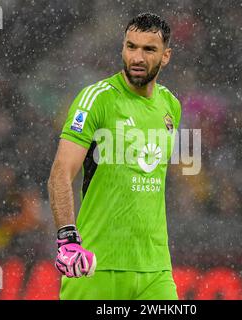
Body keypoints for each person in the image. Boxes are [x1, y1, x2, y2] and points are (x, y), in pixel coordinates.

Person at [48, 13, 182, 300]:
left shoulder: (171, 106)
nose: (137, 57)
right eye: (131, 46)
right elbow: (60, 173)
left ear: (166, 56)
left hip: (155, 270)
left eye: (149, 49)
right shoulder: (96, 99)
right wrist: (66, 238)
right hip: (94, 266)